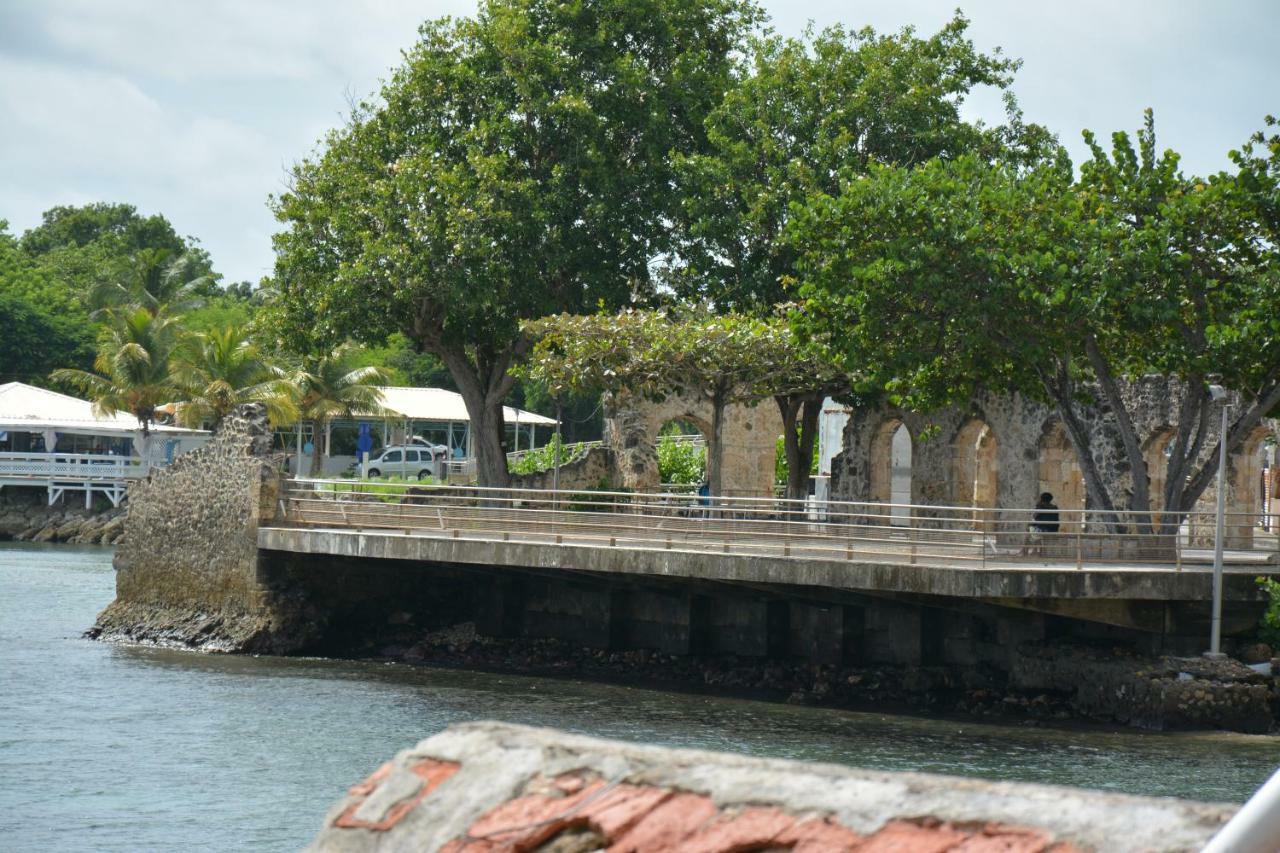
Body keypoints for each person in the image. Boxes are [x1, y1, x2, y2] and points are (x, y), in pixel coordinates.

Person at [1022, 492, 1060, 556]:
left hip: (1044, 530)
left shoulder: (1040, 506)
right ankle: (1034, 550)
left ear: (1041, 499)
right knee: (1034, 528)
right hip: (1053, 529)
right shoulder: (1054, 507)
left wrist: (1038, 506)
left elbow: (1034, 516)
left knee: (1029, 529)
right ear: (1050, 499)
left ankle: (1025, 550)